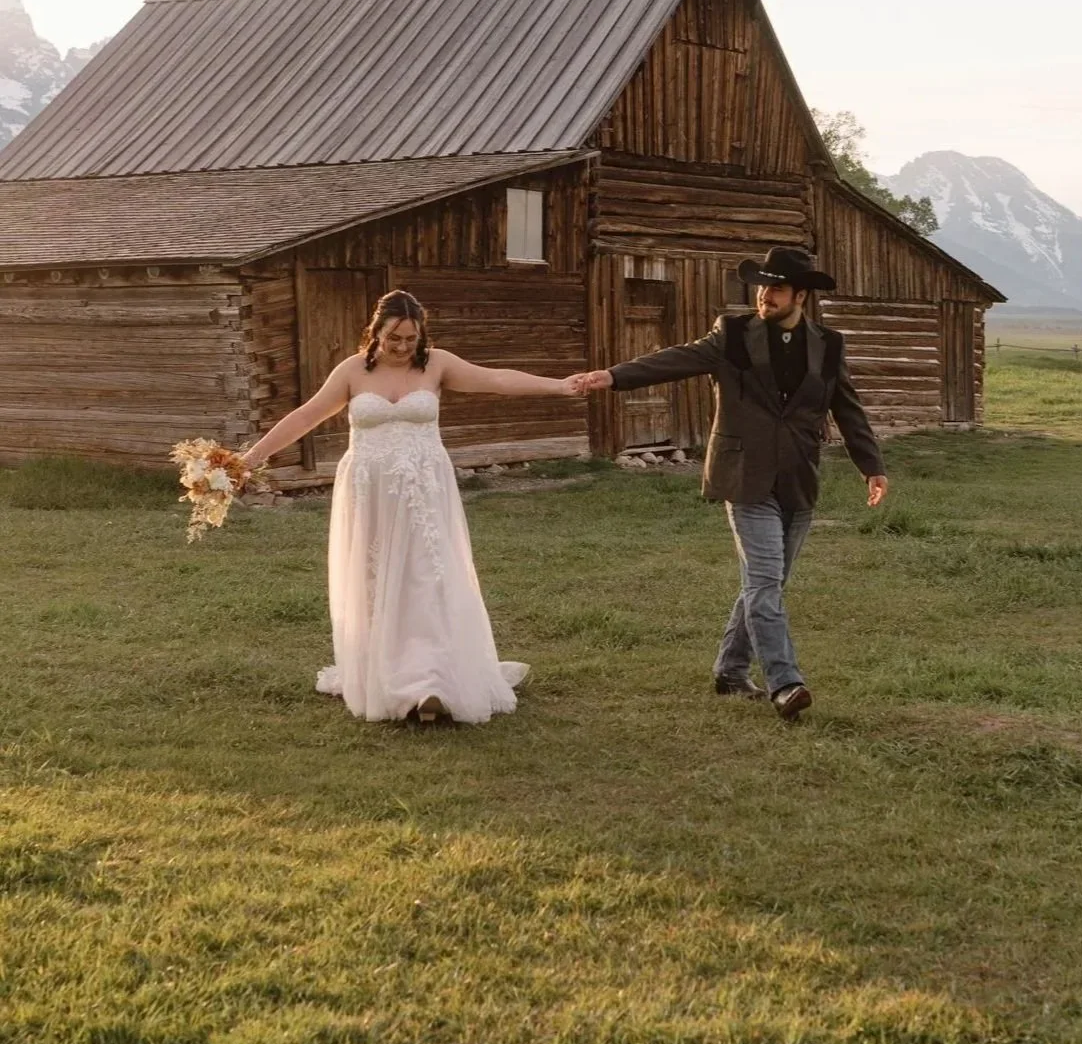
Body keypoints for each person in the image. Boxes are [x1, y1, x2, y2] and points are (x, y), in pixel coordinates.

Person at [572, 248, 888, 721]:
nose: (765, 295)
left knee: (769, 584)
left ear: (800, 295)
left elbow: (847, 408)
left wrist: (871, 465)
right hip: (743, 476)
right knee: (764, 582)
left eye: (776, 288)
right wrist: (613, 376)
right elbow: (677, 359)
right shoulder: (734, 333)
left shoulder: (829, 344)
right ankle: (786, 683)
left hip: (800, 477)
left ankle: (730, 669)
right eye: (762, 287)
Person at [240, 289, 582, 726]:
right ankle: (388, 673)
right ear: (375, 333)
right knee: (378, 579)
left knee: (427, 575)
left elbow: (495, 379)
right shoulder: (351, 371)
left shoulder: (436, 364)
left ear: (421, 335)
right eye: (393, 339)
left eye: (410, 339)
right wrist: (249, 460)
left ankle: (431, 681)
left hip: (425, 489)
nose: (402, 348)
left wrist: (558, 385)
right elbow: (306, 417)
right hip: (371, 490)